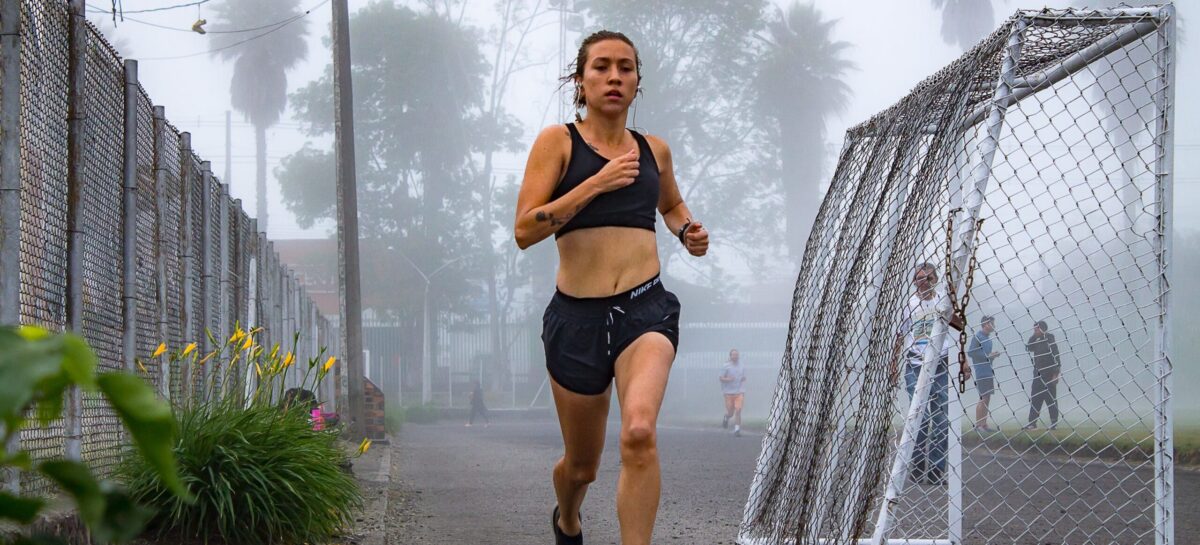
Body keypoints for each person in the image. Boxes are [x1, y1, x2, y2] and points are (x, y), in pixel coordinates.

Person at [513, 30, 708, 545]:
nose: (615, 76)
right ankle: (568, 518)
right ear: (581, 80)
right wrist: (597, 182)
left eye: (626, 67)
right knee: (581, 467)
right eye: (601, 66)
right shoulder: (557, 143)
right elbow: (525, 230)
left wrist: (687, 229)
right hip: (576, 320)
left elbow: (669, 205)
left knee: (639, 433)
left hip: (646, 310)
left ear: (638, 81)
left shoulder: (654, 150)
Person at [893, 262, 963, 486]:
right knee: (919, 418)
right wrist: (893, 366)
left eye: (928, 278)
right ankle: (917, 462)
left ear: (935, 279)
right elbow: (899, 336)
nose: (923, 283)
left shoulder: (943, 300)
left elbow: (958, 329)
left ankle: (936, 468)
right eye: (919, 278)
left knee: (941, 418)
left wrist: (964, 362)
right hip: (916, 362)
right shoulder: (909, 304)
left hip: (941, 363)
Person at [1024, 320, 1061, 430]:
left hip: (1049, 375)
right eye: (1034, 329)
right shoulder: (1036, 340)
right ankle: (1032, 422)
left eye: (1036, 329)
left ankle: (1054, 422)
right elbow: (1028, 347)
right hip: (1038, 374)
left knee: (1051, 399)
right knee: (1035, 398)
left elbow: (1056, 357)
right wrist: (1034, 335)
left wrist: (1056, 374)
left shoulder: (1050, 339)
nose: (1035, 331)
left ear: (1042, 329)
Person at [967, 316, 1001, 432]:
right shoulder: (978, 337)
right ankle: (978, 425)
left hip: (988, 371)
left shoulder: (988, 339)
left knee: (987, 397)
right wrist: (987, 356)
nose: (994, 326)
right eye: (992, 323)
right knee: (983, 397)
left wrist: (992, 356)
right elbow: (971, 352)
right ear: (986, 324)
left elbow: (987, 356)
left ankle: (984, 423)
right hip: (981, 372)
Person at [719, 349, 746, 437]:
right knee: (730, 412)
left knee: (738, 410)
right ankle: (726, 417)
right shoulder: (726, 366)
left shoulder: (742, 365)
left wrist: (743, 378)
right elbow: (721, 378)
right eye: (733, 355)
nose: (735, 356)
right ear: (730, 356)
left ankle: (737, 429)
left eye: (737, 355)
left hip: (739, 391)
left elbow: (743, 376)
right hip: (728, 392)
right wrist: (728, 379)